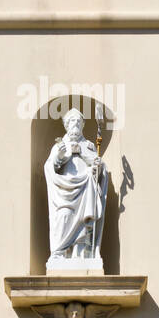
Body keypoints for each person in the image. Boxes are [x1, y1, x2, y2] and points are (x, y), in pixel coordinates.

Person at [44, 108, 108, 271]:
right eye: (72, 121)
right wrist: (60, 157)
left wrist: (91, 162)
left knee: (84, 225)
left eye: (79, 122)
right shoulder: (59, 146)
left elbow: (98, 168)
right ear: (66, 125)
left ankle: (80, 257)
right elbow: (50, 167)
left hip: (85, 191)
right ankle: (60, 254)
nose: (76, 124)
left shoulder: (89, 145)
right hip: (64, 193)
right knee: (64, 216)